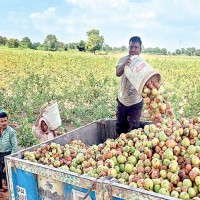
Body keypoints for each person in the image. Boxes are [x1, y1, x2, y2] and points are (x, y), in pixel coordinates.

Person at [116, 36, 143, 137]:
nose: (133, 50)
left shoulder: (142, 64)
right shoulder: (123, 59)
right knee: (119, 128)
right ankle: (116, 148)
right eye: (131, 47)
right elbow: (117, 73)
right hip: (122, 100)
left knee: (134, 131)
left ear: (140, 49)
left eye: (136, 47)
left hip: (136, 102)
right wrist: (124, 64)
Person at [0, 112, 18, 192]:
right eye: (1, 121)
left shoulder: (11, 132)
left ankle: (10, 192)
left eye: (5, 121)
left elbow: (15, 148)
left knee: (7, 173)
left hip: (7, 154)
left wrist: (8, 161)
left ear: (7, 120)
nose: (4, 123)